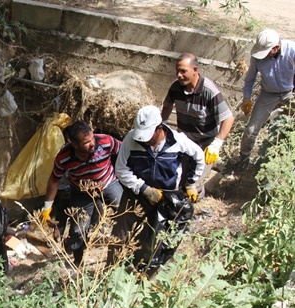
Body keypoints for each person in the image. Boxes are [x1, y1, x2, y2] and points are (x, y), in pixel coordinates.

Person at [107, 105, 205, 275]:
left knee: (157, 238)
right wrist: (144, 189)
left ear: (160, 128)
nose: (144, 141)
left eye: (148, 136)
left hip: (166, 197)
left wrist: (190, 183)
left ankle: (143, 276)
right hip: (137, 194)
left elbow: (198, 156)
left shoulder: (177, 141)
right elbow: (121, 169)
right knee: (120, 235)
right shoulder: (131, 139)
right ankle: (111, 273)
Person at [40, 121, 123, 265]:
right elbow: (54, 180)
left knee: (125, 212)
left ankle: (122, 256)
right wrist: (47, 208)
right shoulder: (64, 157)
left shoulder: (105, 141)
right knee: (79, 230)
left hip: (108, 183)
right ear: (74, 144)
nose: (92, 144)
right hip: (81, 192)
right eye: (87, 142)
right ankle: (77, 263)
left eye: (92, 139)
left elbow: (125, 151)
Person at [161, 53, 235, 197]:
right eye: (177, 71)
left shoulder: (208, 91)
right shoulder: (176, 88)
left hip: (205, 145)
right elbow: (167, 106)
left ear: (195, 70)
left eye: (183, 71)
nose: (179, 75)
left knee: (193, 185)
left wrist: (217, 143)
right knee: (176, 182)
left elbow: (228, 118)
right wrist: (161, 124)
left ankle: (195, 204)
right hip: (185, 143)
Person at [239, 29, 295, 168]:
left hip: (290, 92)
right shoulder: (258, 57)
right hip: (268, 94)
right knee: (251, 129)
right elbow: (250, 79)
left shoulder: (292, 51)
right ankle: (243, 159)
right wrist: (247, 98)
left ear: (276, 47)